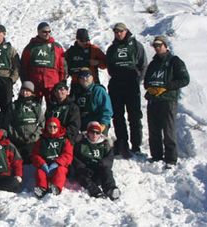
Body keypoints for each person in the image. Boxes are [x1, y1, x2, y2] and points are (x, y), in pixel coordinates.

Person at [143, 36, 190, 169]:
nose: (157, 48)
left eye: (159, 45)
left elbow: (184, 79)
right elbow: (146, 80)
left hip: (168, 100)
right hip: (153, 100)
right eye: (155, 46)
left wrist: (167, 86)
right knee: (154, 130)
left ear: (165, 45)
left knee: (168, 130)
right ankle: (156, 156)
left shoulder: (175, 61)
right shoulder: (153, 63)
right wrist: (150, 87)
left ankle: (171, 159)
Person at [106, 22, 147, 157]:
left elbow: (143, 65)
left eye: (121, 31)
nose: (118, 34)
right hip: (116, 86)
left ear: (126, 31)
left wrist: (137, 80)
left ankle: (136, 145)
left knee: (134, 116)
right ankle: (123, 143)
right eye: (116, 32)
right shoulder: (112, 48)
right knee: (117, 116)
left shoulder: (136, 45)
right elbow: (109, 66)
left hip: (131, 86)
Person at [73, 121, 120, 200]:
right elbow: (75, 159)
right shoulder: (81, 144)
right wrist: (83, 168)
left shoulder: (105, 144)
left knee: (107, 171)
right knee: (82, 177)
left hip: (99, 170)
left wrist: (103, 163)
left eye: (97, 132)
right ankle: (95, 192)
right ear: (88, 133)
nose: (94, 135)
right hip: (86, 171)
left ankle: (111, 189)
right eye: (92, 132)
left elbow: (109, 158)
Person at [21, 22, 66, 102]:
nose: (47, 34)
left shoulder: (56, 47)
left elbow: (62, 66)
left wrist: (62, 82)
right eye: (44, 32)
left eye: (49, 32)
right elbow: (24, 66)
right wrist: (26, 83)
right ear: (38, 32)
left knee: (53, 109)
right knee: (34, 109)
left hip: (52, 85)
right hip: (35, 85)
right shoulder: (30, 47)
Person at [31, 117, 74, 198]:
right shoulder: (41, 140)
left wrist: (57, 163)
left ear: (58, 127)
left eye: (55, 127)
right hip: (45, 165)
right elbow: (35, 154)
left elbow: (68, 155)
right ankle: (41, 188)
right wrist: (42, 164)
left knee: (61, 171)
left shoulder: (64, 140)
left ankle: (56, 188)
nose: (52, 129)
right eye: (50, 126)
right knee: (39, 172)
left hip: (58, 165)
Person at [7, 81, 44, 164]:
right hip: (17, 140)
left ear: (32, 93)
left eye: (27, 91)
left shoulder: (36, 106)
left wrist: (34, 137)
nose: (25, 93)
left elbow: (42, 124)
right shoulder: (14, 105)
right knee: (17, 162)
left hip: (32, 141)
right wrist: (16, 137)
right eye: (23, 90)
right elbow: (9, 123)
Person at [71, 68, 113, 136]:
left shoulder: (99, 91)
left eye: (87, 76)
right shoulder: (76, 92)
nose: (85, 79)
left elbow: (107, 111)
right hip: (83, 125)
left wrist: (102, 125)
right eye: (82, 77)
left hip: (98, 124)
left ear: (92, 78)